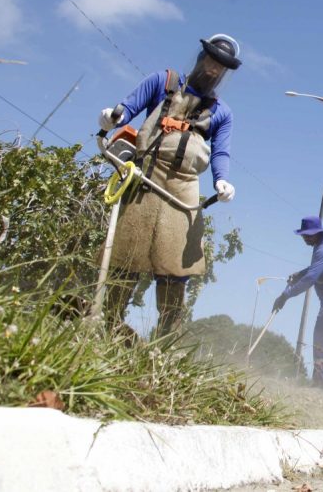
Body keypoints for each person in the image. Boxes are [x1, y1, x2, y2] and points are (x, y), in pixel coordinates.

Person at [98, 34, 241, 337]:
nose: (213, 70)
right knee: (127, 259)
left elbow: (221, 152)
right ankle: (108, 326)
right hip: (145, 180)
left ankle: (165, 343)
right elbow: (128, 107)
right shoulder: (163, 83)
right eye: (211, 61)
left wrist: (222, 180)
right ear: (202, 57)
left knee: (177, 270)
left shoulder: (221, 112)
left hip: (183, 192)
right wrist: (114, 116)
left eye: (221, 68)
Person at [273, 215, 323, 388]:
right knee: (320, 333)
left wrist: (285, 295)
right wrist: (300, 274)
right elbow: (318, 268)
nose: (305, 239)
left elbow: (311, 278)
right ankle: (319, 381)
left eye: (308, 235)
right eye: (303, 235)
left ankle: (322, 384)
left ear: (317, 233)